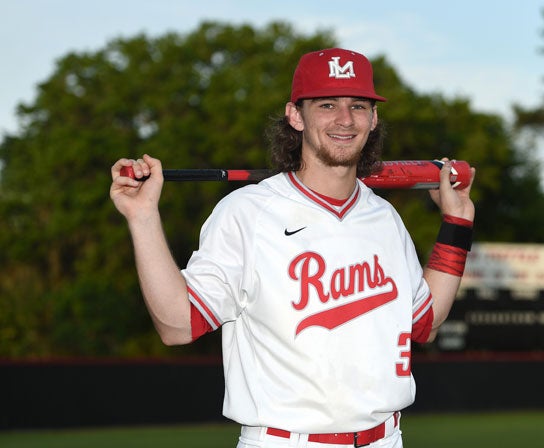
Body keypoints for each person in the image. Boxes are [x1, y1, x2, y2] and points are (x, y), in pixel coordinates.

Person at [110, 47, 475, 448]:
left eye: (358, 105)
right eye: (327, 105)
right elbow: (178, 325)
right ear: (295, 115)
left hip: (387, 438)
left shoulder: (384, 218)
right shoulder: (247, 213)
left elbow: (426, 323)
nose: (344, 119)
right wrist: (143, 218)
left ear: (373, 119)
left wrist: (457, 224)